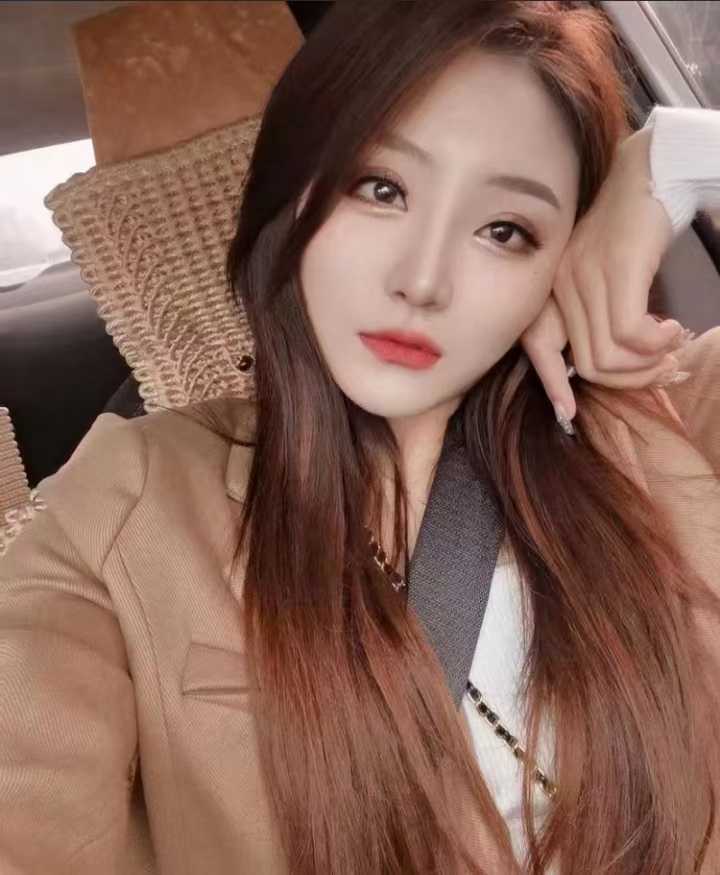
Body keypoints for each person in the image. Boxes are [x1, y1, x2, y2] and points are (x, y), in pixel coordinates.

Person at [1, 1, 719, 873]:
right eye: (382, 189)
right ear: (295, 190)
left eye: (505, 230)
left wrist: (677, 159)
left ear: (565, 255)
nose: (423, 279)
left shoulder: (672, 416)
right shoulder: (130, 502)